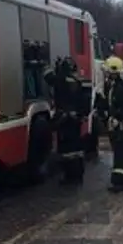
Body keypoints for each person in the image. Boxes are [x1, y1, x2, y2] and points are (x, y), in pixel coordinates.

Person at [97, 56, 123, 193]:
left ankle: (118, 182)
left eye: (108, 71)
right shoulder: (112, 85)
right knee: (122, 150)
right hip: (115, 124)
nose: (107, 74)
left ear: (115, 71)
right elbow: (109, 104)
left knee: (120, 154)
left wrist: (119, 116)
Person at [44, 57, 85, 185]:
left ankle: (70, 177)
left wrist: (47, 66)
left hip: (65, 120)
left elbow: (48, 78)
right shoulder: (76, 81)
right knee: (76, 148)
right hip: (74, 119)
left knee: (67, 150)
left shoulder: (61, 80)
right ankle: (77, 175)